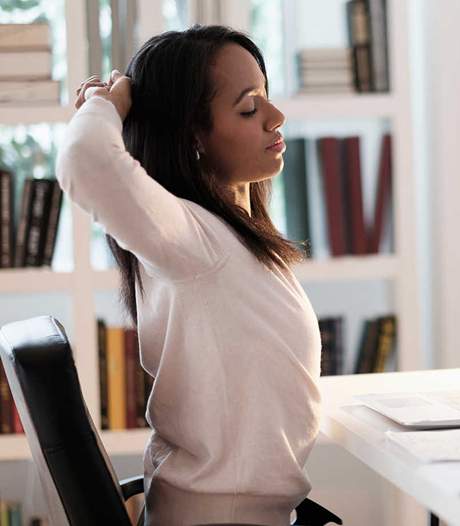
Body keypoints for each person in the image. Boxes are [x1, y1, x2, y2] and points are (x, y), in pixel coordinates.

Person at [56, 25, 321, 526]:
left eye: (266, 97)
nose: (276, 118)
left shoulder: (225, 238)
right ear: (191, 136)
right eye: (248, 108)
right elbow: (85, 160)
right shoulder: (194, 243)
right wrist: (105, 105)